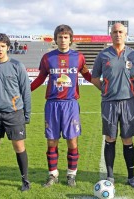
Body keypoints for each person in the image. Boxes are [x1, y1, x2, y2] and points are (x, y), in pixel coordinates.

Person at [30, 24, 92, 187]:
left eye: (66, 37)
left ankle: (71, 175)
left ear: (70, 39)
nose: (63, 40)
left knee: (72, 141)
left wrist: (104, 86)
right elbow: (40, 79)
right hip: (52, 104)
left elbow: (88, 75)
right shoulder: (47, 58)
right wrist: (25, 90)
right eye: (60, 37)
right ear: (55, 39)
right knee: (52, 141)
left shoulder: (79, 57)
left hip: (70, 105)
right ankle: (53, 174)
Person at [91, 23, 134, 189]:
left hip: (128, 102)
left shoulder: (133, 55)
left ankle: (131, 177)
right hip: (109, 103)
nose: (117, 34)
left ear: (126, 34)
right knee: (110, 138)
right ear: (110, 35)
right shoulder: (103, 55)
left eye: (120, 32)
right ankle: (110, 176)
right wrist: (105, 90)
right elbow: (94, 78)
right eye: (114, 32)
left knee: (127, 138)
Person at [0, 33, 31, 192]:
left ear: (8, 47)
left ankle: (25, 180)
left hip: (14, 113)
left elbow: (26, 91)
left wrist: (26, 115)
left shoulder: (17, 66)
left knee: (19, 146)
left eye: (2, 46)